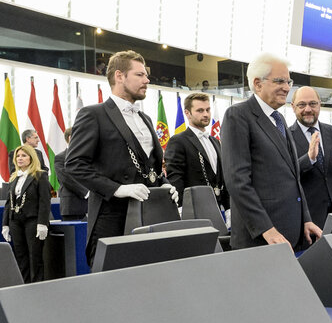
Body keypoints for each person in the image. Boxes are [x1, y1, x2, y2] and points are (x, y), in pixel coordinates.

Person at [67, 50, 178, 265]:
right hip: (112, 217)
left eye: (146, 75)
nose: (147, 80)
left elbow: (150, 165)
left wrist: (163, 184)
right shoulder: (93, 114)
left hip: (150, 214)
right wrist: (117, 189)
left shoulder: (145, 118)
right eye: (140, 75)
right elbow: (74, 165)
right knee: (114, 288)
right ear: (119, 76)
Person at [220, 53, 321, 250]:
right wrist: (266, 228)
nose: (287, 87)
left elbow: (293, 177)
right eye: (279, 81)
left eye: (288, 81)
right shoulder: (238, 116)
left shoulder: (279, 120)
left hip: (290, 234)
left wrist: (305, 219)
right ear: (257, 84)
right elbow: (237, 181)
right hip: (261, 239)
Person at [289, 86, 332, 228]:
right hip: (309, 218)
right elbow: (287, 175)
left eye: (313, 104)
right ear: (293, 107)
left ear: (320, 104)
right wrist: (309, 158)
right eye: (302, 104)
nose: (308, 109)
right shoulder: (286, 137)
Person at [164, 92, 229, 210]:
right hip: (194, 207)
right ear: (187, 113)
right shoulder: (178, 141)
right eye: (200, 110)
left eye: (208, 110)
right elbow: (175, 177)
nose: (206, 114)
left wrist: (228, 207)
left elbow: (223, 177)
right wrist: (181, 208)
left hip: (219, 207)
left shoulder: (215, 141)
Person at [2, 145, 50, 282]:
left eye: (24, 155)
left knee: (35, 256)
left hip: (32, 220)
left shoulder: (40, 175)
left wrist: (42, 223)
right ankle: (24, 284)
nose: (20, 158)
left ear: (31, 158)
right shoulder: (14, 177)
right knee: (20, 255)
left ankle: (37, 285)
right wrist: (5, 224)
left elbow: (44, 201)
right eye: (18, 156)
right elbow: (8, 202)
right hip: (15, 221)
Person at [54, 128, 88, 221]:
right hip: (72, 206)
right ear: (70, 138)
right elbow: (66, 179)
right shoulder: (60, 157)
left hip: (91, 205)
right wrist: (87, 192)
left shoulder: (88, 155)